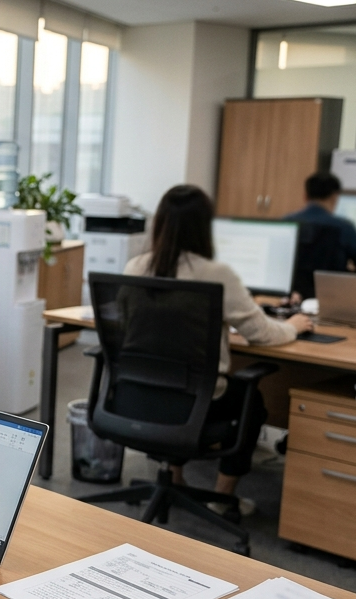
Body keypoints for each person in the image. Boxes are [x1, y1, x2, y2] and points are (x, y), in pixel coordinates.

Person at [123, 185, 313, 509]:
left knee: (179, 379)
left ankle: (176, 480)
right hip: (198, 404)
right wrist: (293, 326)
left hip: (139, 397)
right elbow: (262, 334)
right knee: (251, 403)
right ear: (203, 227)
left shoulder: (136, 267)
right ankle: (222, 498)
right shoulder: (217, 274)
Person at [283, 172, 356, 279]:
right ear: (334, 197)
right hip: (330, 293)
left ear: (305, 196)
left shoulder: (287, 222)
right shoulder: (343, 227)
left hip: (290, 294)